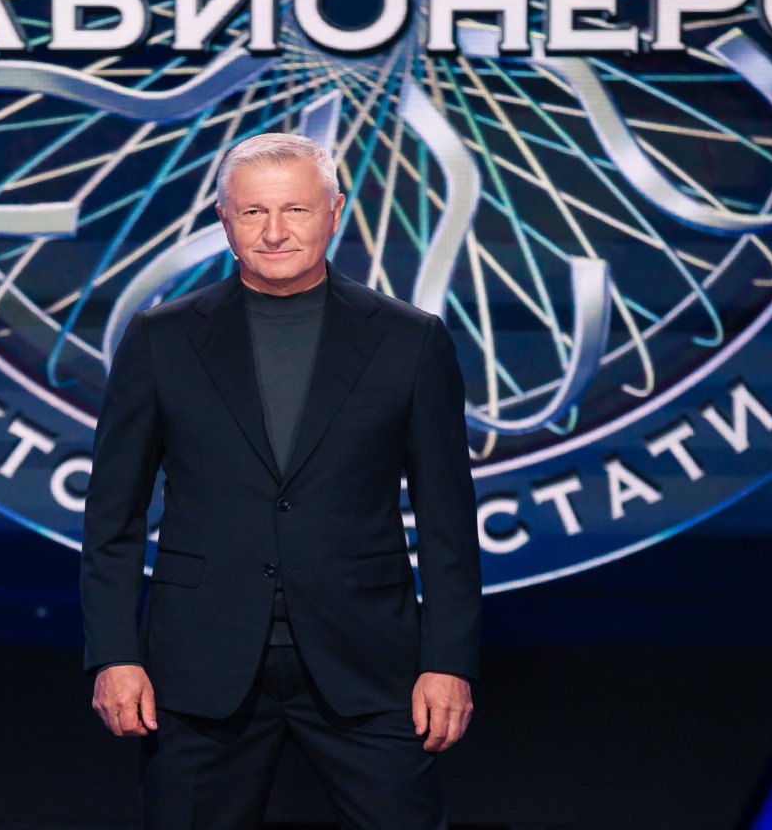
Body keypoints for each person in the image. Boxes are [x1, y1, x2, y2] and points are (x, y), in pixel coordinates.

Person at [80, 132, 482, 829]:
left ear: (334, 212)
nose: (273, 232)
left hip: (368, 663)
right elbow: (112, 518)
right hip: (200, 667)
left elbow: (449, 522)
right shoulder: (160, 339)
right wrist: (114, 654)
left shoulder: (410, 341)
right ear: (224, 220)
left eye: (295, 209)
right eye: (253, 212)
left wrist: (449, 662)